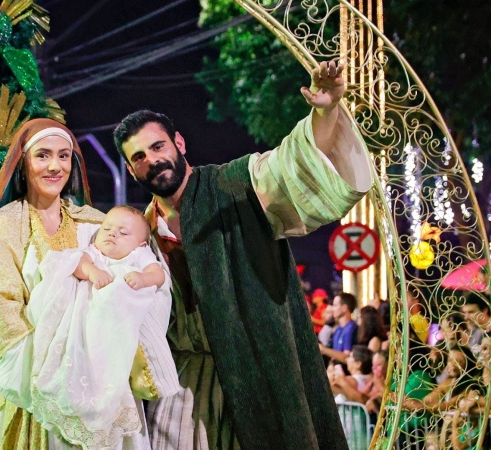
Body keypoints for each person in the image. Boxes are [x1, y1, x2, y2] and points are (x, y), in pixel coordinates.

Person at [113, 60, 371, 449]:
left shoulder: (236, 185)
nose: (152, 160)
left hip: (258, 369)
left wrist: (325, 110)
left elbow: (294, 163)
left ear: (179, 144)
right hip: (183, 381)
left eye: (157, 146)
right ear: (132, 171)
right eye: (138, 157)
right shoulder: (138, 232)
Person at [0, 119, 168, 450]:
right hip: (38, 382)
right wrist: (43, 371)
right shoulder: (6, 225)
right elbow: (2, 304)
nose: (55, 166)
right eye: (43, 156)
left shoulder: (95, 221)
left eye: (64, 156)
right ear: (23, 162)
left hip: (102, 378)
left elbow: (141, 272)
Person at [319, 293, 359, 365]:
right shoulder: (338, 329)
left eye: (335, 305)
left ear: (344, 308)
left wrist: (324, 349)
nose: (332, 309)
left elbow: (346, 357)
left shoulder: (351, 328)